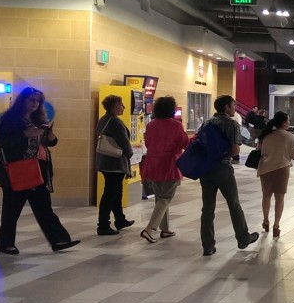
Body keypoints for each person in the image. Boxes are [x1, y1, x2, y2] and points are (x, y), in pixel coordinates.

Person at [0, 87, 80, 255]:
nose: (35, 104)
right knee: (11, 209)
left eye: (37, 101)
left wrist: (51, 137)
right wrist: (25, 134)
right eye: (31, 100)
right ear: (22, 100)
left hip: (38, 169)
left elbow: (46, 142)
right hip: (17, 170)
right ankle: (6, 243)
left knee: (44, 208)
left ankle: (59, 240)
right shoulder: (11, 119)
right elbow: (0, 139)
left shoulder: (38, 119)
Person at [197, 95, 259, 256]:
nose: (235, 108)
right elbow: (235, 150)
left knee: (207, 208)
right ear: (226, 107)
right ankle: (243, 237)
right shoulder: (232, 124)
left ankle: (208, 245)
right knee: (234, 204)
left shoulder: (206, 123)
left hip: (206, 168)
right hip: (223, 168)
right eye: (233, 105)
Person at [139, 96, 189, 243]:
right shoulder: (175, 125)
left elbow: (148, 143)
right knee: (166, 198)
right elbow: (184, 142)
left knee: (160, 197)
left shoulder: (151, 125)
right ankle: (150, 229)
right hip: (169, 164)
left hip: (152, 164)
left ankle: (165, 229)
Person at [96, 94, 135, 236]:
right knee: (110, 194)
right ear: (114, 106)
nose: (123, 107)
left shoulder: (103, 119)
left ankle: (120, 219)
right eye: (121, 104)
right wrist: (131, 154)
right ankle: (103, 225)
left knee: (116, 192)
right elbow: (123, 141)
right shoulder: (115, 121)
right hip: (114, 163)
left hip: (106, 161)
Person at [257, 111, 294, 239]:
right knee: (280, 198)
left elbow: (260, 151)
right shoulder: (290, 137)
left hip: (266, 169)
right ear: (284, 122)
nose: (289, 122)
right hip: (282, 169)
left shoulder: (265, 135)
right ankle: (276, 226)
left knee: (266, 196)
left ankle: (265, 221)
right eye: (288, 120)